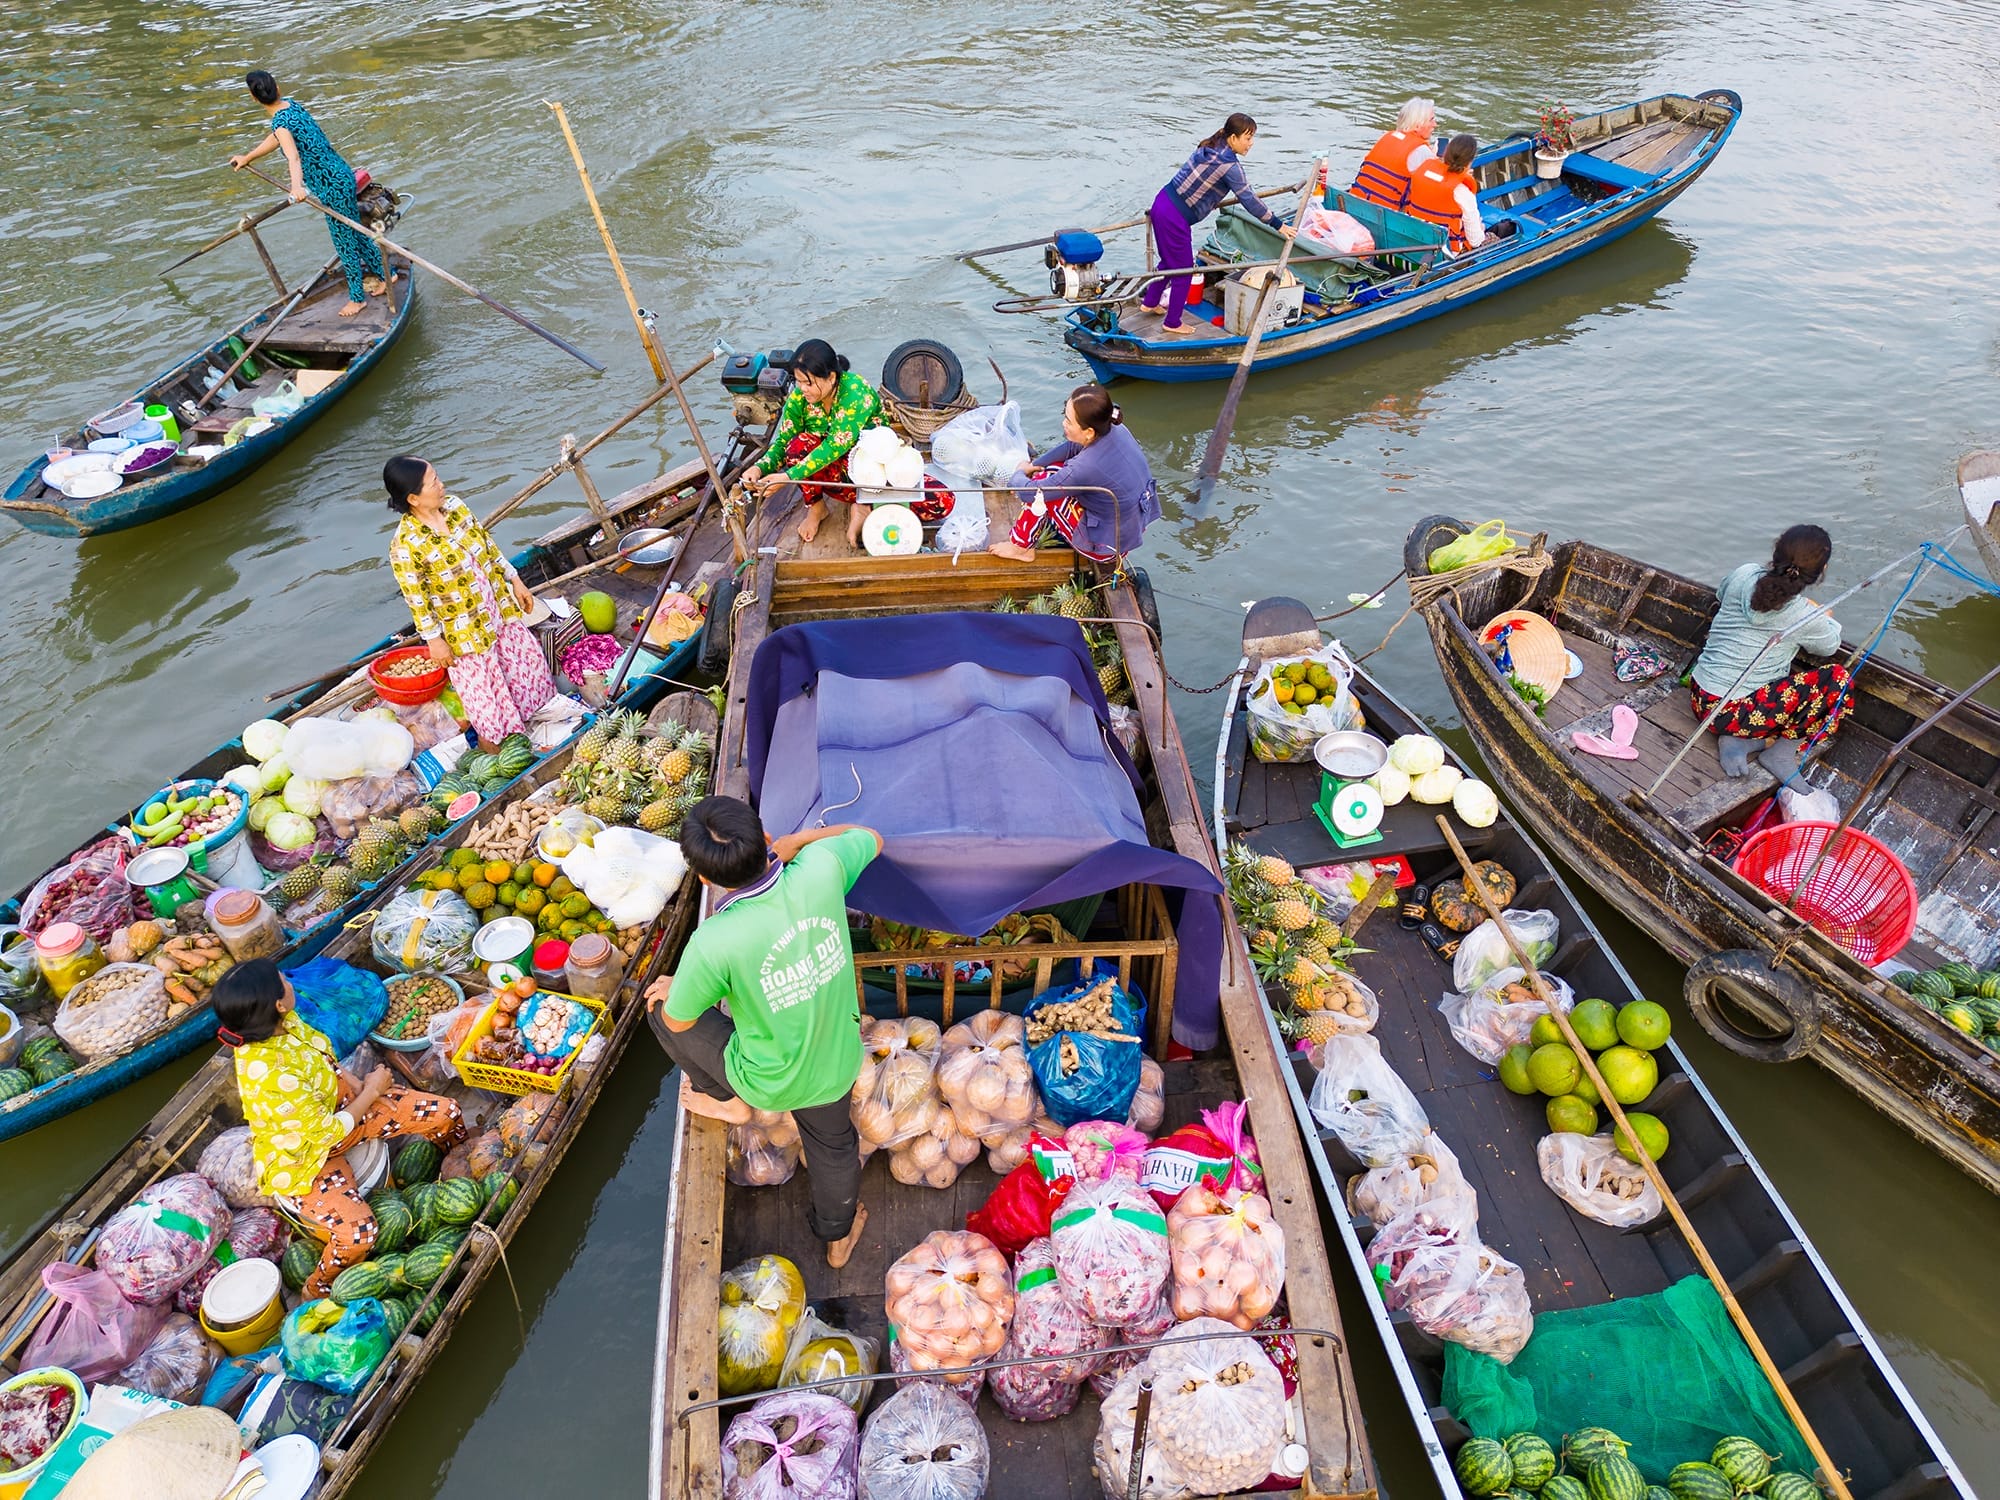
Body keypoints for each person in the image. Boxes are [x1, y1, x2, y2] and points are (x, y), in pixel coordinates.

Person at [644, 798, 882, 1268]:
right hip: (835, 1060)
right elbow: (872, 838)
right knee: (834, 1147)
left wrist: (682, 987)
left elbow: (678, 1021)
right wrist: (801, 842)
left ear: (706, 879)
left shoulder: (713, 941)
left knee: (657, 1008)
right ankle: (837, 1240)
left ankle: (729, 1101)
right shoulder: (820, 868)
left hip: (769, 1080)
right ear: (766, 839)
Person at [214, 960, 465, 1297]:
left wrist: (358, 1085)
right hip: (305, 1158)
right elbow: (329, 1133)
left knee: (445, 1112)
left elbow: (325, 1058)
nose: (289, 981)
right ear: (276, 1004)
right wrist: (374, 1092)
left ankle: (454, 1168)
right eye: (282, 981)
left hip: (340, 1108)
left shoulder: (285, 1023)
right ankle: (317, 1287)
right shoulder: (271, 1076)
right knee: (359, 1233)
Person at [384, 455, 556, 746]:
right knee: (486, 699)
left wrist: (515, 580)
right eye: (433, 482)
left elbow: (488, 546)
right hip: (465, 633)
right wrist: (434, 641)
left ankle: (542, 725)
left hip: (497, 607)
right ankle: (501, 748)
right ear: (413, 498)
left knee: (523, 668)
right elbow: (418, 602)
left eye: (437, 477)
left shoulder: (455, 507)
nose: (442, 485)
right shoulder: (406, 545)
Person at [1690, 525, 1850, 782]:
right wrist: (1825, 616)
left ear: (1776, 552)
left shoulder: (1744, 574)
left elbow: (1721, 593)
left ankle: (1743, 741)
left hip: (1701, 700)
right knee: (1837, 680)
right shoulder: (1805, 616)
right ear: (1821, 572)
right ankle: (1779, 753)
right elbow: (1830, 645)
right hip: (1734, 713)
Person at [228, 71, 385, 319]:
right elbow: (277, 138)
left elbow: (293, 156)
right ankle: (387, 275)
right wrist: (248, 158)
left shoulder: (281, 122)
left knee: (345, 242)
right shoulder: (291, 106)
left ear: (253, 97)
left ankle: (357, 299)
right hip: (340, 174)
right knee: (353, 230)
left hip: (331, 186)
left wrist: (296, 187)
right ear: (277, 88)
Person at [1143, 113, 1294, 335]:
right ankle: (1173, 321)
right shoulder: (1230, 166)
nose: (1250, 144)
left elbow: (1201, 183)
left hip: (1162, 202)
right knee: (1184, 271)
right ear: (1233, 137)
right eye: (1247, 138)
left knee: (1169, 261)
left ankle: (1150, 301)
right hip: (1175, 217)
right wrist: (1278, 224)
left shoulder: (1210, 145)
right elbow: (1250, 200)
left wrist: (1211, 199)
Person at [989, 384, 1160, 564]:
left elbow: (1030, 493)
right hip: (1126, 530)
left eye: (1069, 421)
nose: (1064, 423)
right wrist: (1034, 465)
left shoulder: (1086, 466)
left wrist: (1018, 474)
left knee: (1042, 484)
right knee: (1050, 469)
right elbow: (1073, 446)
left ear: (1089, 432)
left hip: (1105, 548)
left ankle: (1020, 547)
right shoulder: (1114, 428)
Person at [741, 339, 884, 546]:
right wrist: (759, 467)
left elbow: (836, 445)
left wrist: (787, 477)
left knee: (941, 503)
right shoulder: (800, 397)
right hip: (830, 474)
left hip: (870, 470)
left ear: (831, 377)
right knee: (798, 445)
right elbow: (784, 440)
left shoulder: (854, 391)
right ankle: (817, 508)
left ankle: (862, 503)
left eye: (808, 383)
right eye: (798, 382)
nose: (802, 389)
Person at [1403, 134, 1486, 255]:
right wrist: (1481, 228)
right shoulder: (1461, 191)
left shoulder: (1421, 173)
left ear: (1446, 153)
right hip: (1447, 255)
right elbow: (1475, 242)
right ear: (1470, 161)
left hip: (1416, 242)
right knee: (1502, 232)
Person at [1350, 98, 1438, 209]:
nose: (1435, 124)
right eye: (1431, 120)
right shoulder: (1422, 151)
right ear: (1417, 125)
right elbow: (1436, 188)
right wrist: (1436, 161)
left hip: (1358, 201)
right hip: (1389, 211)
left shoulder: (1387, 136)